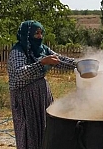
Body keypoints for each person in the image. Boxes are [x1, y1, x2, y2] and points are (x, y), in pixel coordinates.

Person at [7, 20, 76, 149]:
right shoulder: (18, 51)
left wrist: (79, 64)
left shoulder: (42, 49)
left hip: (42, 96)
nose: (40, 36)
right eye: (36, 33)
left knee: (46, 129)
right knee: (30, 131)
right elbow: (19, 73)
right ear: (27, 35)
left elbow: (59, 60)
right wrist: (41, 63)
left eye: (41, 33)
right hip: (25, 99)